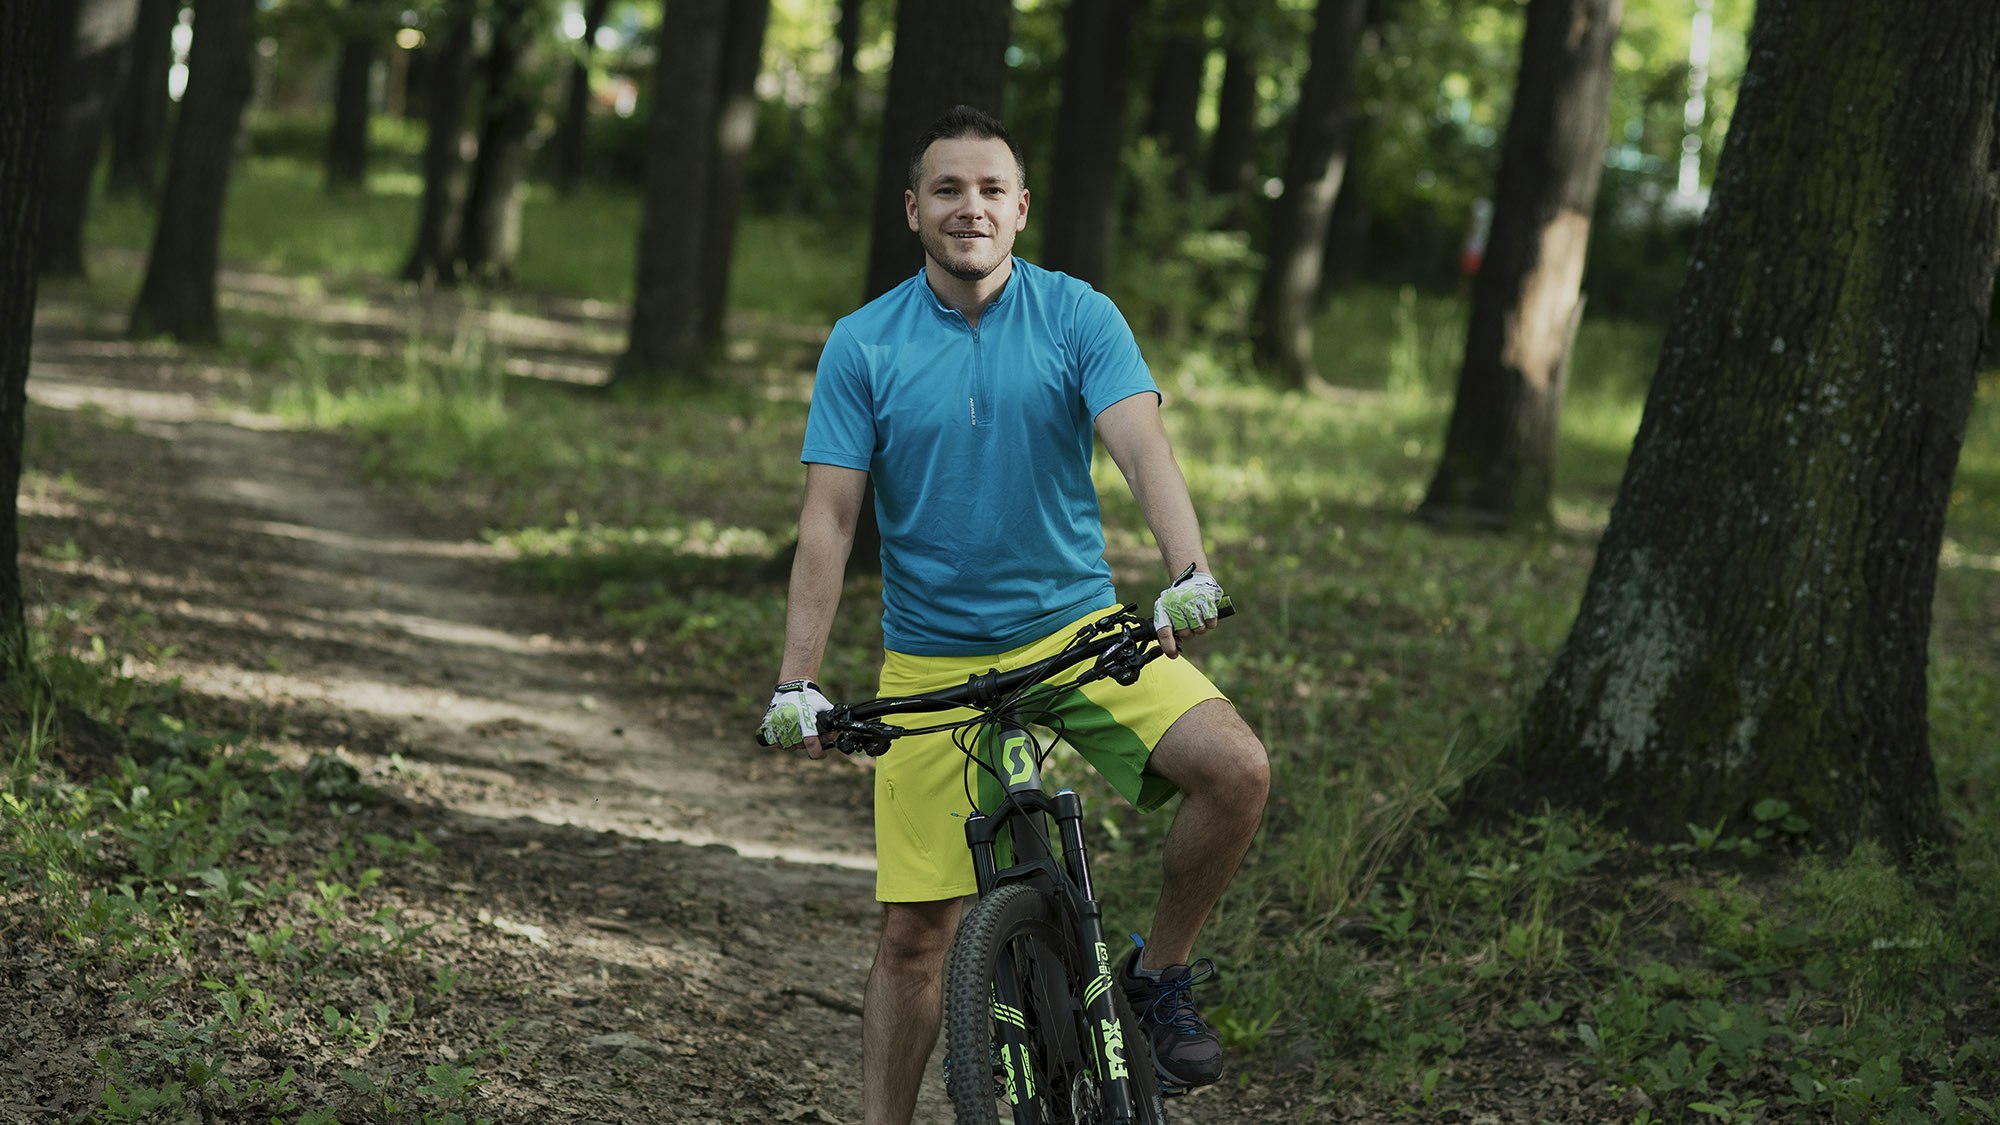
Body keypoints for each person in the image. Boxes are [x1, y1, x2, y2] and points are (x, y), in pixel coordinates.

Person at [757, 104, 1269, 1125]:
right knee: (915, 935)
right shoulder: (863, 344)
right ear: (912, 209)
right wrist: (797, 678)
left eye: (990, 189)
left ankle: (1155, 977)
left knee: (1236, 771)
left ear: (1020, 208)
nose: (969, 207)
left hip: (1075, 637)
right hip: (932, 663)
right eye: (946, 189)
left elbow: (1139, 449)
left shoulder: (1078, 315)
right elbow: (828, 518)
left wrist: (1186, 567)